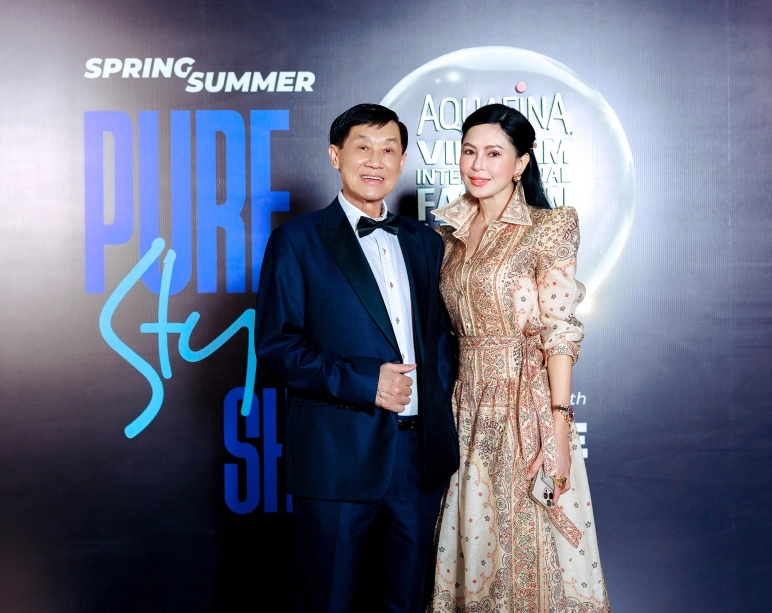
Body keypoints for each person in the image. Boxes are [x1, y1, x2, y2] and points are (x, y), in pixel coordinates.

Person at [255, 103, 459, 613]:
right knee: (330, 599)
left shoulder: (426, 242)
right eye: (362, 147)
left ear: (402, 160)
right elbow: (277, 346)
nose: (375, 160)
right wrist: (366, 384)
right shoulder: (296, 241)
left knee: (408, 601)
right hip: (337, 455)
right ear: (335, 155)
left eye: (388, 149)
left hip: (416, 461)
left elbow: (441, 341)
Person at [428, 104, 610, 612]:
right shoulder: (446, 234)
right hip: (464, 406)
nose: (477, 165)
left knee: (530, 536)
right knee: (476, 544)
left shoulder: (548, 227)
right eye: (469, 152)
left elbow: (559, 329)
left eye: (494, 153)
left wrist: (558, 424)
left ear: (521, 163)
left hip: (523, 403)